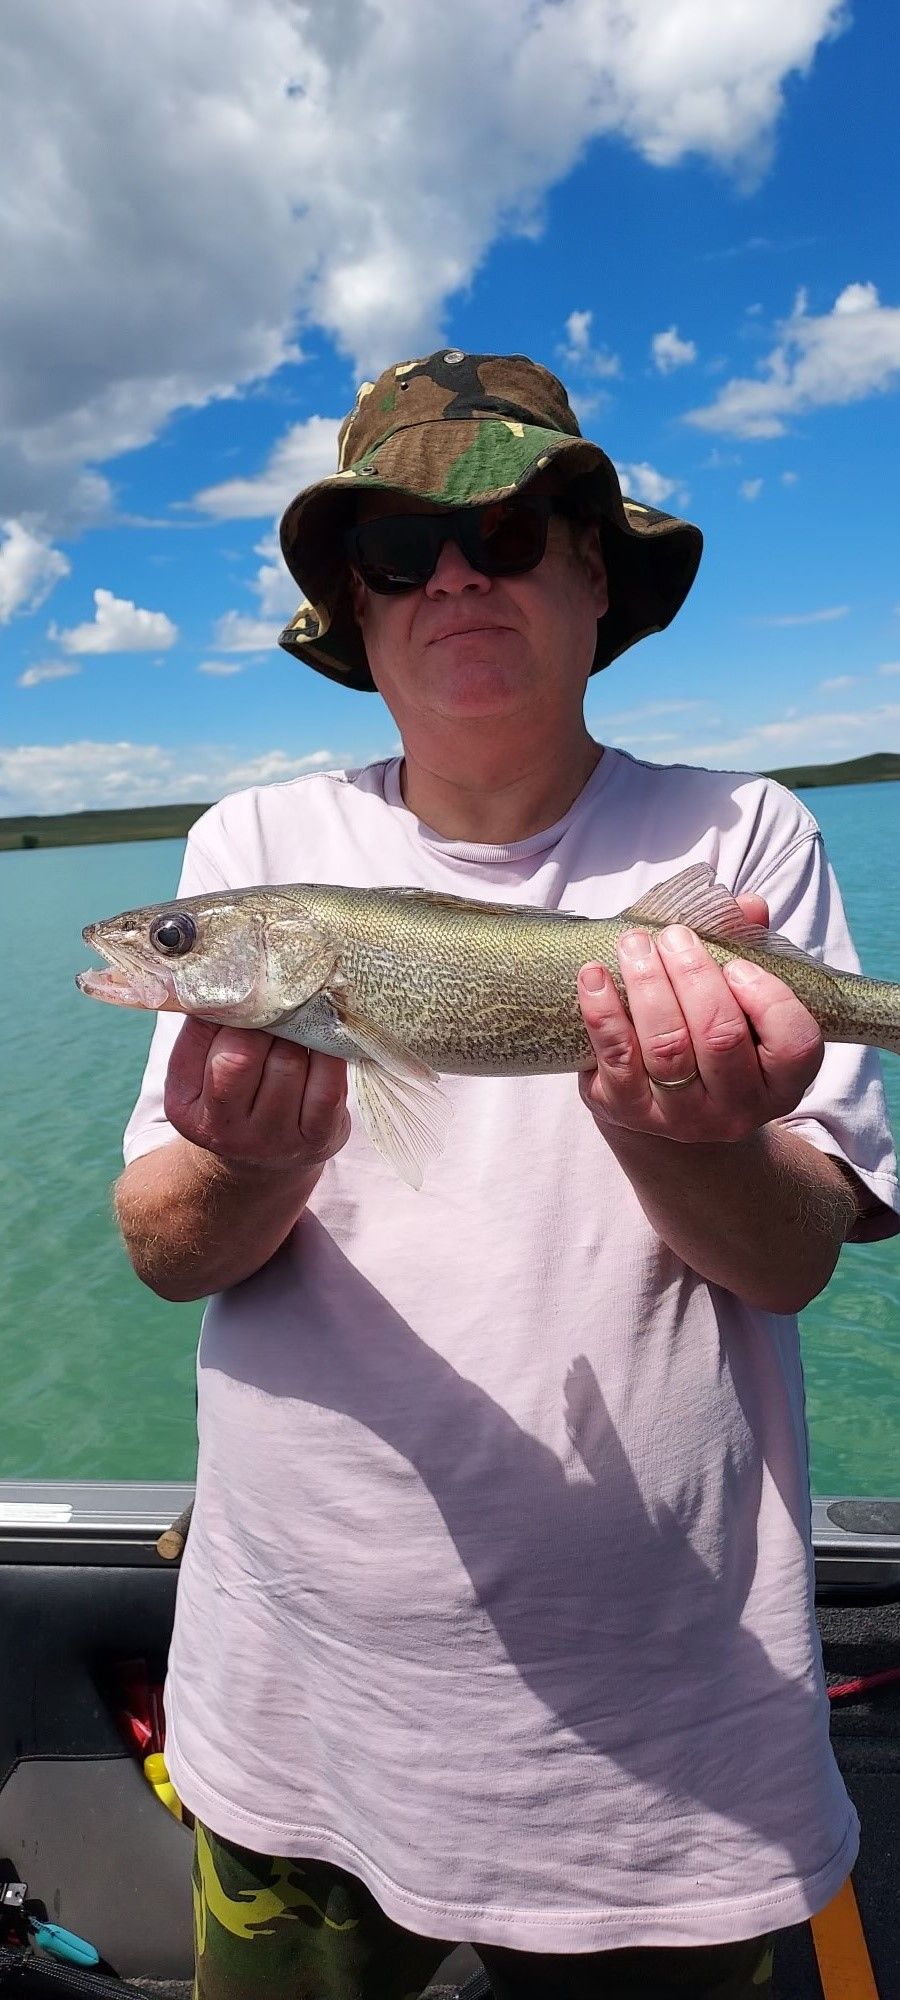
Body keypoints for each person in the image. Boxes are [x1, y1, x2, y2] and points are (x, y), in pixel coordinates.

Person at [116, 351, 899, 2000]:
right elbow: (166, 1251)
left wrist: (667, 1121)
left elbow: (793, 1262)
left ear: (593, 570)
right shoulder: (255, 851)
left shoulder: (750, 836)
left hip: (673, 1752)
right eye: (399, 546)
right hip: (298, 1716)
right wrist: (254, 1171)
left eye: (517, 526)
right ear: (357, 606)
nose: (457, 572)